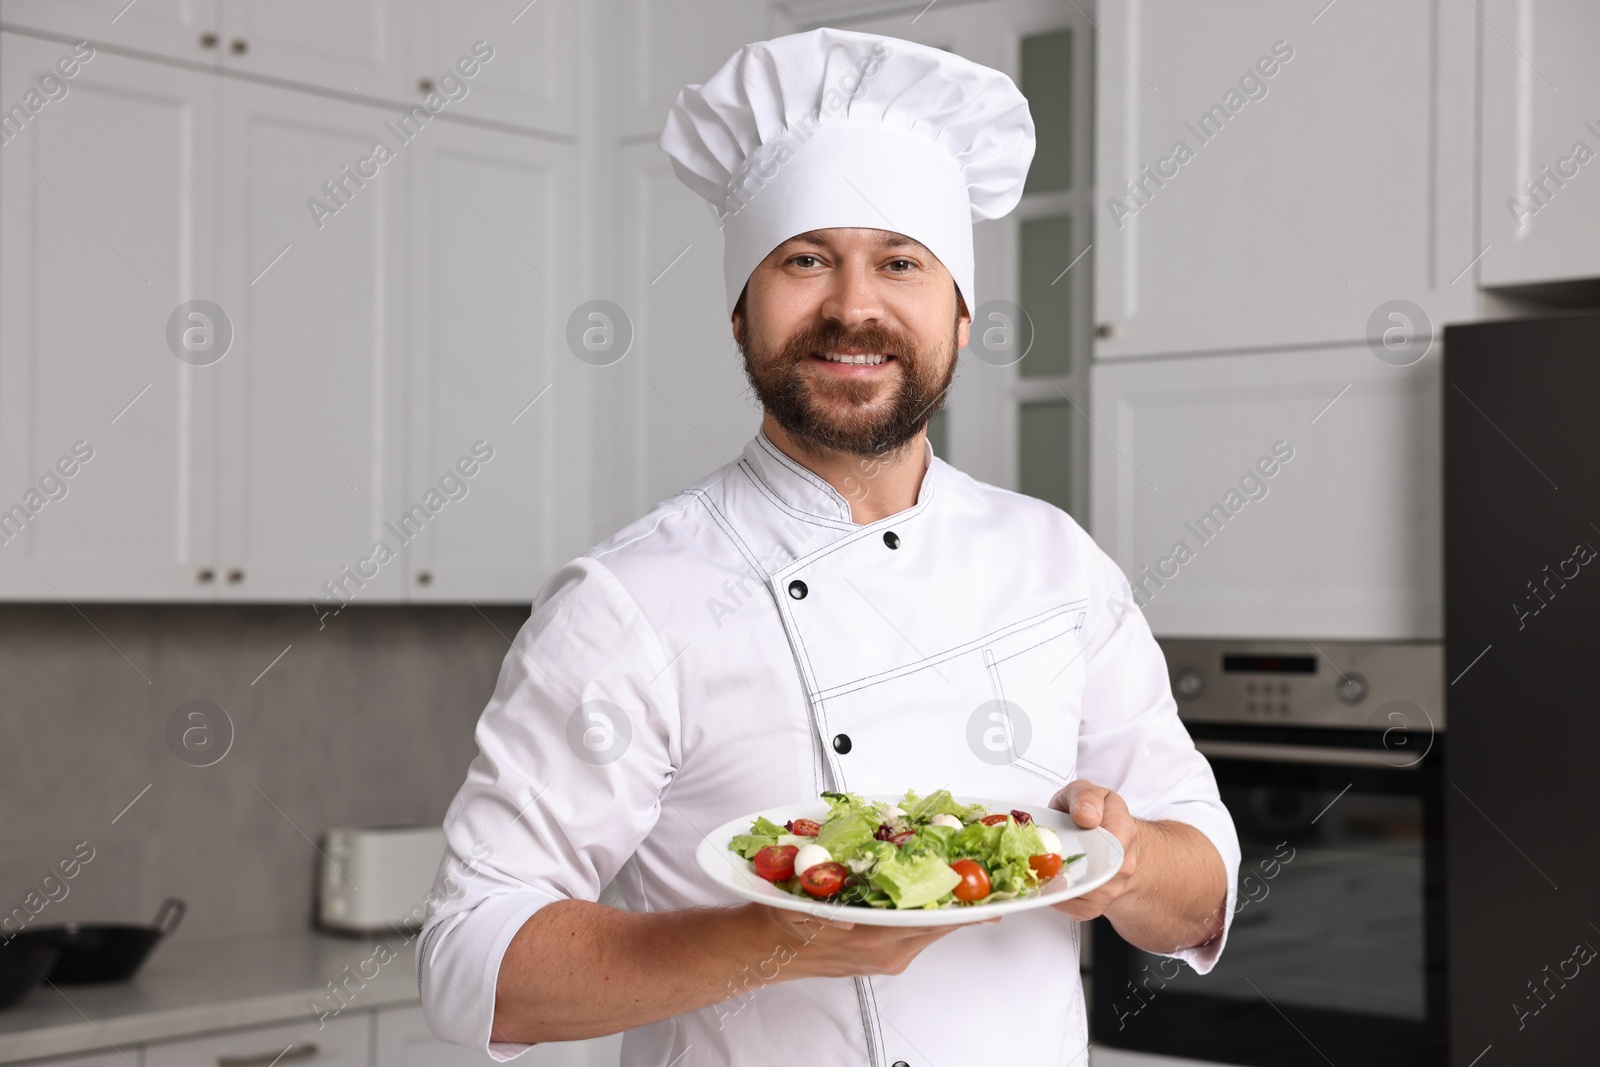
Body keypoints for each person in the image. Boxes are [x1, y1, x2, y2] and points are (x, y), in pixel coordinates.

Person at [419, 27, 1238, 1066]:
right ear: (739, 310)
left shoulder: (1056, 563)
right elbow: (467, 962)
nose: (853, 305)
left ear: (959, 311)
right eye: (804, 260)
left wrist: (1120, 864)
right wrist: (765, 938)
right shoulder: (630, 599)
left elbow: (1200, 879)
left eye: (900, 262)